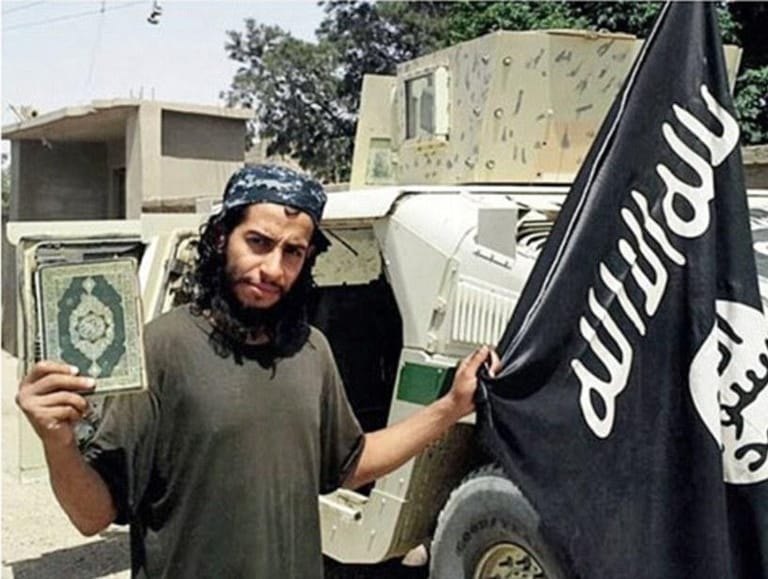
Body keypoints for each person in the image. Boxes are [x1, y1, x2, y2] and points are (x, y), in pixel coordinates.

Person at [16, 164, 500, 578]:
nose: (273, 268)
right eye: (258, 242)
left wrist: (450, 407)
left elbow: (350, 464)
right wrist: (57, 443)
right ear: (220, 238)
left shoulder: (311, 351)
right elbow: (93, 514)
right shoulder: (163, 347)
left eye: (293, 252)